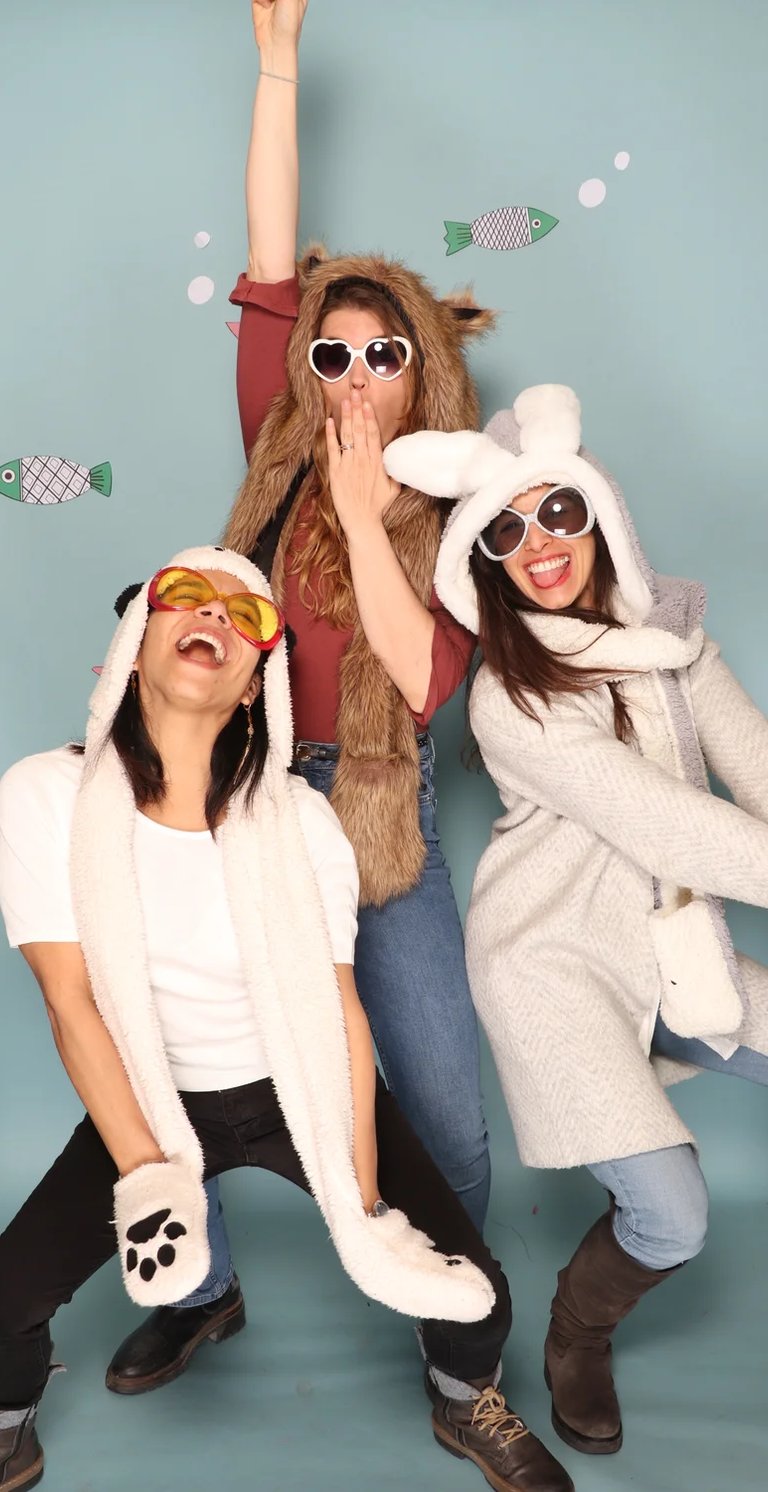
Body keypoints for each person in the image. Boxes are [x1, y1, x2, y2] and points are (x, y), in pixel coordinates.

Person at [106, 0, 498, 1392]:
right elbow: (275, 259)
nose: (350, 374)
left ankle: (462, 1364)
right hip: (246, 799)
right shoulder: (276, 460)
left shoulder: (461, 509)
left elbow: (423, 677)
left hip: (385, 819)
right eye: (330, 354)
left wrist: (366, 504)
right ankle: (196, 1290)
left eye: (381, 354)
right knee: (183, 1070)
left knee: (441, 1109)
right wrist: (277, 65)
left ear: (424, 372)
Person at [0, 545, 575, 1492]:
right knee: (5, 1302)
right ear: (134, 645)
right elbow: (71, 1002)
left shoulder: (301, 824)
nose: (216, 617)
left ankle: (462, 1394)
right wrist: (149, 1176)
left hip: (288, 1082)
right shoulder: (45, 796)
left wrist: (364, 1192)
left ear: (258, 682)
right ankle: (15, 1410)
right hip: (148, 1097)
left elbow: (339, 1006)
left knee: (476, 1292)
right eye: (187, 598)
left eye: (246, 616)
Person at [383, 383, 768, 1457]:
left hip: (667, 953)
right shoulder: (514, 693)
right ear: (487, 560)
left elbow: (754, 766)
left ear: (602, 515)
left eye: (560, 512)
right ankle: (576, 1330)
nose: (539, 543)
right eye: (506, 529)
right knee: (676, 1216)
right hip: (551, 967)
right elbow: (673, 827)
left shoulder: (676, 643)